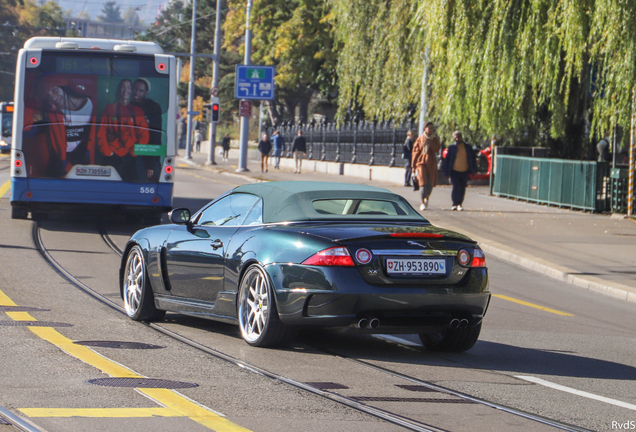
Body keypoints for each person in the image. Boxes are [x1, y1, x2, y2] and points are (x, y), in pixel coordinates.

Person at [24, 74, 97, 178]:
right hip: (60, 167)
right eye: (48, 95)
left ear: (64, 88)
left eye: (54, 90)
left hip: (86, 165)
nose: (53, 97)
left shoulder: (94, 105)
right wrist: (31, 99)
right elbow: (26, 131)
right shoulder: (51, 113)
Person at [97, 78, 150, 182]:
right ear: (118, 90)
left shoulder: (137, 110)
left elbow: (144, 135)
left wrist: (133, 152)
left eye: (129, 87)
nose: (126, 90)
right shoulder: (110, 108)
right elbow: (101, 132)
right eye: (123, 87)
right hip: (112, 156)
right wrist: (107, 152)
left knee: (131, 189)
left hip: (131, 158)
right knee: (107, 188)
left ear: (131, 91)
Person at [444, 131, 476, 211]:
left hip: (464, 170)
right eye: (456, 137)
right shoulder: (452, 147)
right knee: (456, 187)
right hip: (454, 171)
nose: (457, 139)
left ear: (461, 137)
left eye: (459, 137)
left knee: (462, 188)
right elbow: (447, 160)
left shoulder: (467, 147)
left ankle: (460, 204)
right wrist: (446, 172)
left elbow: (472, 159)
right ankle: (454, 203)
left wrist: (474, 170)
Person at [411, 122, 441, 210]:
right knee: (423, 182)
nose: (430, 130)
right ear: (425, 129)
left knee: (430, 183)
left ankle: (427, 197)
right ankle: (422, 202)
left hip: (431, 162)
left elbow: (437, 149)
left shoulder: (434, 139)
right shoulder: (420, 139)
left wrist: (430, 143)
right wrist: (413, 166)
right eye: (429, 128)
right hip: (421, 162)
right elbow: (415, 152)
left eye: (432, 128)